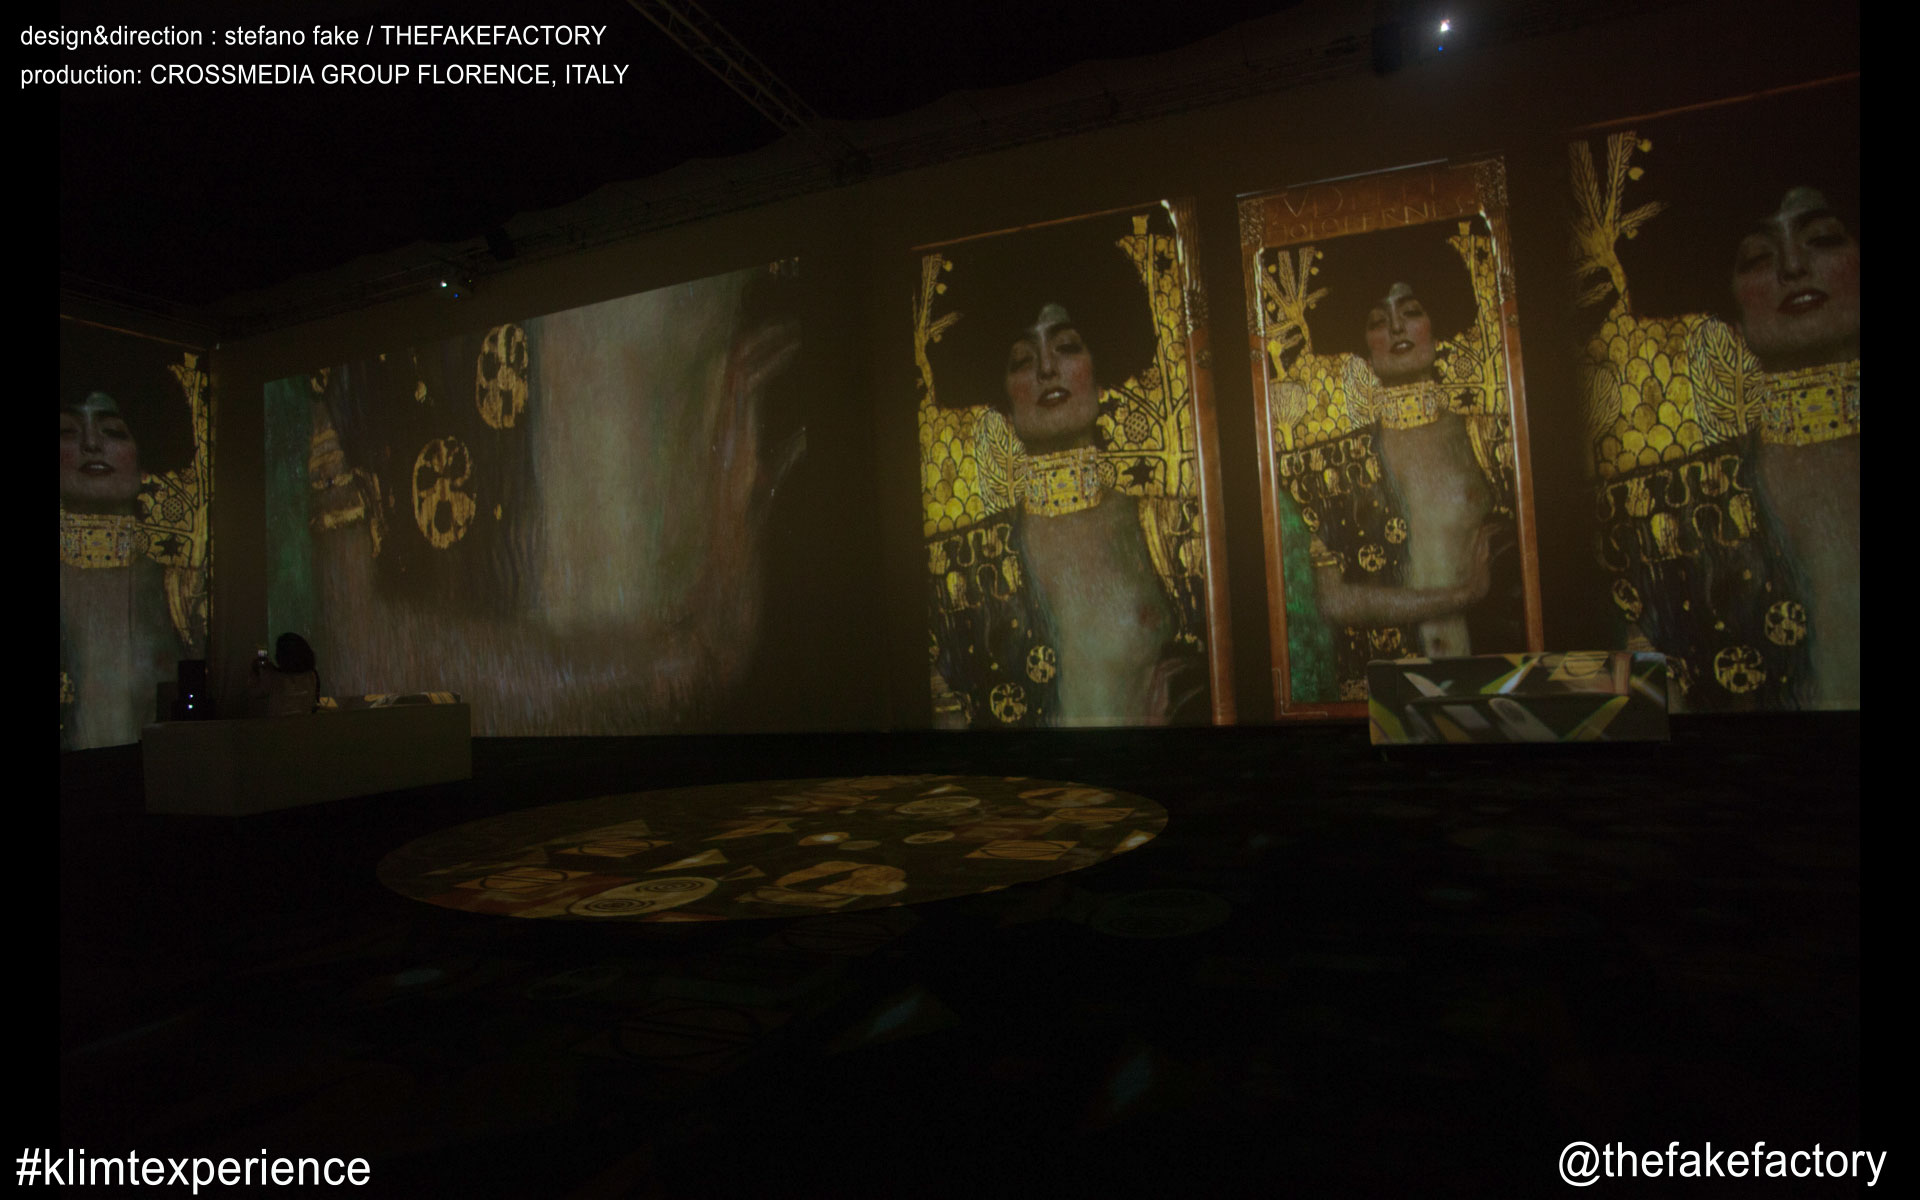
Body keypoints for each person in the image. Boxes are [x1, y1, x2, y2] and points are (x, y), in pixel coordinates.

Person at [924, 222, 1211, 727]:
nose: (1046, 369)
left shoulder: (1175, 533)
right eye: (1022, 358)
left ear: (1100, 370)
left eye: (1067, 346)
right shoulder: (965, 569)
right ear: (1002, 397)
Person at [1263, 222, 1524, 701]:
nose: (1397, 329)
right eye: (1378, 321)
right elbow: (1333, 600)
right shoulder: (1335, 460)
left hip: (1487, 682)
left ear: (1436, 324)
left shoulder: (1488, 438)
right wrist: (1462, 595)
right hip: (1384, 695)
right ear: (1363, 342)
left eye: (1411, 312)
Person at [249, 632, 321, 717]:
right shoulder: (312, 676)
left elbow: (254, 692)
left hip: (278, 725)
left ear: (281, 657)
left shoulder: (274, 678)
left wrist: (258, 671)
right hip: (304, 724)